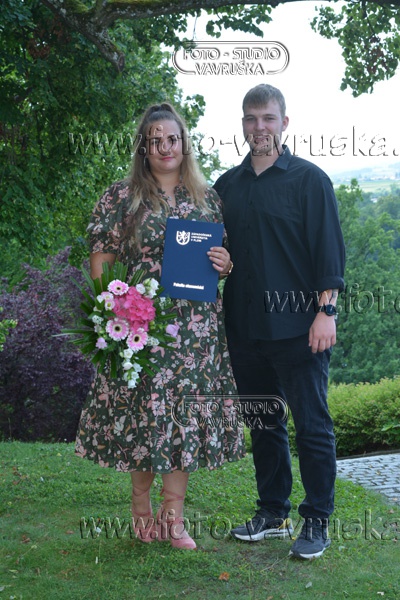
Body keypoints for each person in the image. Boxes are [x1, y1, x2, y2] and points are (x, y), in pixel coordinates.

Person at [75, 102, 245, 550]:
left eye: (172, 138)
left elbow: (222, 259)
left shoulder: (207, 198)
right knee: (145, 416)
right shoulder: (120, 197)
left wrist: (226, 264)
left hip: (195, 332)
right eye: (155, 141)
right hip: (141, 325)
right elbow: (101, 261)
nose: (165, 147)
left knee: (181, 420)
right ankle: (140, 507)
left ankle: (174, 517)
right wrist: (109, 311)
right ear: (143, 148)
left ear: (184, 144)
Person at [214, 84, 346, 560]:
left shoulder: (311, 181)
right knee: (264, 423)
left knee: (312, 427)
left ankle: (316, 522)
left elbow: (328, 254)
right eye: (251, 118)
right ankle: (273, 512)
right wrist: (219, 264)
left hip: (299, 330)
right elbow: (220, 254)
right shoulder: (226, 186)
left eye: (268, 118)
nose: (259, 127)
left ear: (284, 123)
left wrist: (325, 313)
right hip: (244, 329)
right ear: (242, 124)